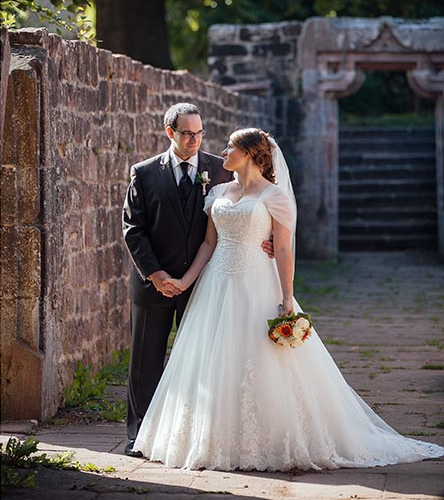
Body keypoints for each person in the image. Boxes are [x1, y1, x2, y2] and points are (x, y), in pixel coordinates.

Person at [132, 128, 444, 469]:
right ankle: (209, 437)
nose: (223, 152)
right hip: (215, 284)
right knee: (210, 360)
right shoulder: (219, 190)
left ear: (249, 154)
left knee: (260, 360)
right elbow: (209, 244)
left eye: (231, 147)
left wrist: (287, 298)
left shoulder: (275, 196)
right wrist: (184, 280)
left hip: (255, 283)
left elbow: (282, 249)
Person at [121, 103, 234, 457]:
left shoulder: (220, 170)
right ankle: (140, 436)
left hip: (201, 283)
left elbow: (243, 209)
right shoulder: (144, 172)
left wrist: (266, 238)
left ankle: (189, 436)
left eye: (199, 133)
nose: (195, 140)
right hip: (153, 282)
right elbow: (133, 228)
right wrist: (156, 274)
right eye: (187, 133)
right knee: (146, 362)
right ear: (170, 132)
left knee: (198, 361)